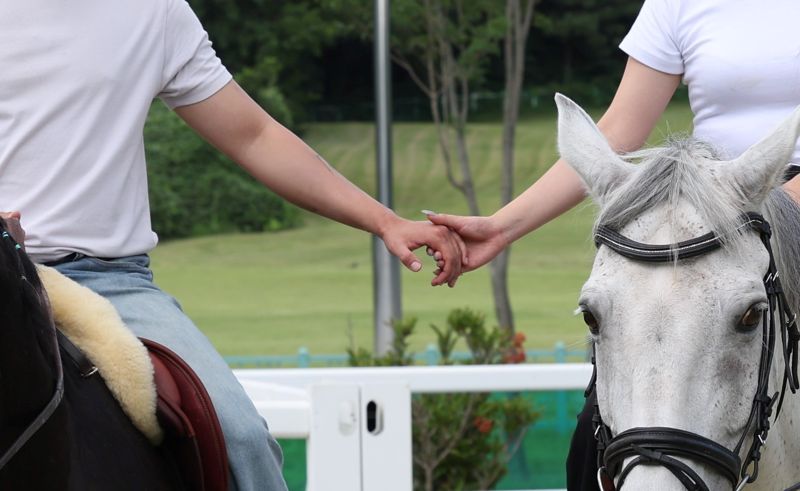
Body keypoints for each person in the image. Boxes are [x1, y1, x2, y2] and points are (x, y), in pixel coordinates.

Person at [0, 1, 467, 489]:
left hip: (107, 284)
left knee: (244, 441)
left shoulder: (154, 12)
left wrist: (384, 220)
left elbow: (255, 136)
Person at [423, 0, 800, 488]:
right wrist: (501, 227)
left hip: (745, 210)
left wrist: (762, 203)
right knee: (594, 434)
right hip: (713, 221)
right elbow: (619, 128)